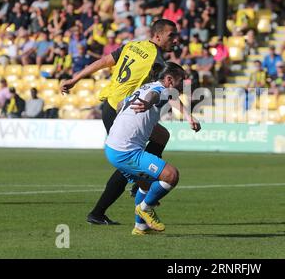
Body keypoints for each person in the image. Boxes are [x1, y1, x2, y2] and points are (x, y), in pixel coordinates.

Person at [60, 19, 199, 225]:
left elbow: (102, 62)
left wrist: (75, 78)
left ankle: (137, 185)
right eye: (172, 35)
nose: (176, 40)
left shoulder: (132, 45)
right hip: (122, 110)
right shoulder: (157, 60)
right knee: (127, 160)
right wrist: (188, 115)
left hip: (111, 105)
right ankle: (102, 210)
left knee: (161, 136)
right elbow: (167, 90)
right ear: (158, 35)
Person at [104, 62, 196, 235]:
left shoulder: (146, 86)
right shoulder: (158, 90)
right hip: (126, 151)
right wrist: (147, 104)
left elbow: (119, 106)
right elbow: (155, 96)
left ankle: (140, 227)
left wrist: (188, 117)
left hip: (112, 147)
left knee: (145, 185)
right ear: (169, 80)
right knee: (171, 176)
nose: (184, 83)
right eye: (181, 80)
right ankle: (145, 208)